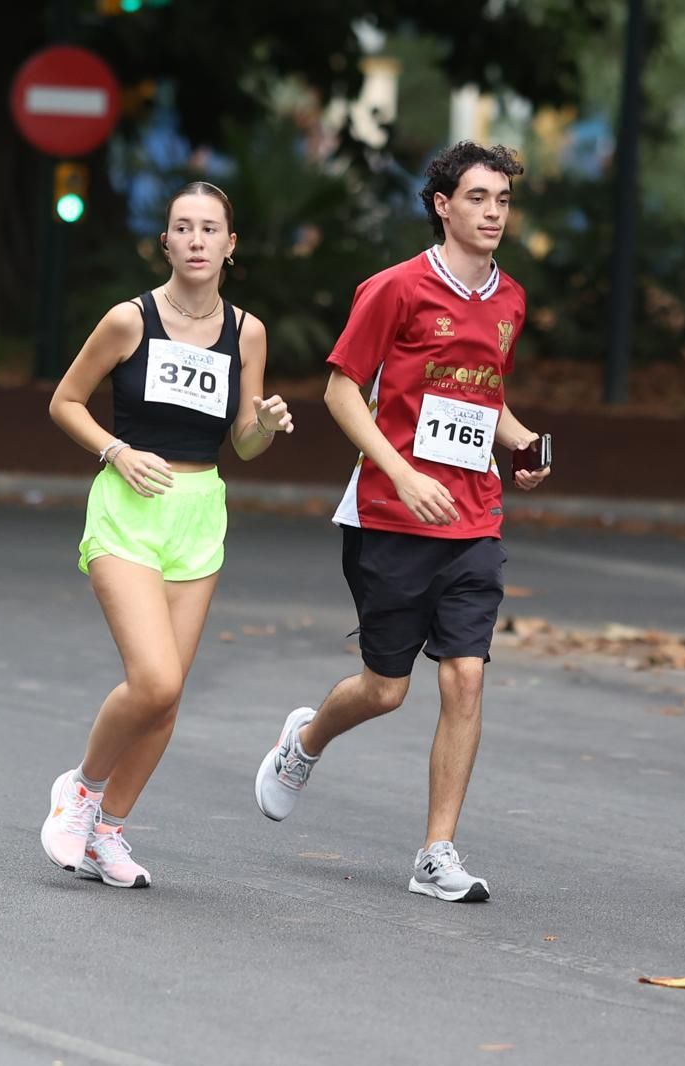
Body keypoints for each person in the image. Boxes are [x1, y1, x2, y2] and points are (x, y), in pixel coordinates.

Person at [253, 142, 550, 902]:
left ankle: (436, 852)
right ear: (443, 205)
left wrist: (520, 442)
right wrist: (403, 472)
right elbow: (342, 392)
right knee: (386, 690)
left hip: (474, 514)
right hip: (389, 514)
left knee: (464, 679)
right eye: (478, 198)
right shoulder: (394, 289)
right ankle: (305, 740)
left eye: (503, 201)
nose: (492, 212)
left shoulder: (510, 300)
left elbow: (485, 396)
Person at [40, 181, 293, 888]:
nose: (197, 240)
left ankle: (109, 833)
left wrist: (265, 426)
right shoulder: (130, 319)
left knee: (169, 694)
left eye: (211, 229)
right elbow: (65, 401)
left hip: (198, 511)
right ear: (167, 242)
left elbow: (243, 443)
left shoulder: (247, 332)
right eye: (183, 228)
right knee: (151, 678)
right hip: (127, 506)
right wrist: (115, 450)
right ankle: (80, 794)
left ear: (230, 245)